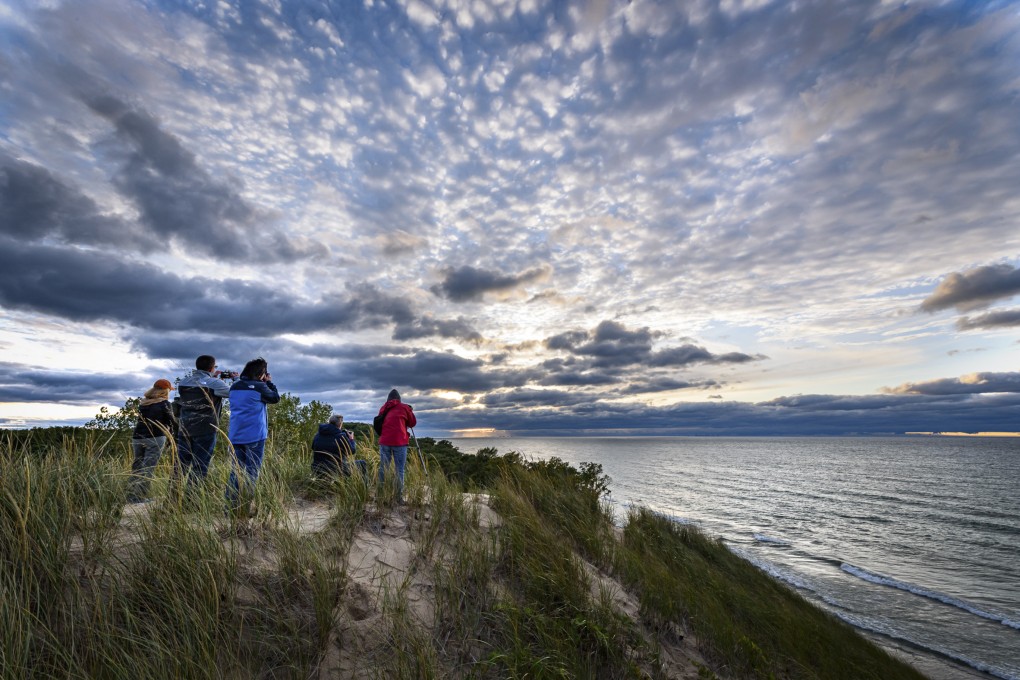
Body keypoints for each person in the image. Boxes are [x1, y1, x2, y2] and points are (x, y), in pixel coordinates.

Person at [226, 357, 280, 505]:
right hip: (255, 435)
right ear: (261, 373)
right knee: (252, 471)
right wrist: (269, 382)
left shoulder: (235, 387)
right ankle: (245, 504)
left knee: (235, 471)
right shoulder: (260, 387)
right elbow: (275, 398)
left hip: (236, 434)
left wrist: (236, 378)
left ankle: (230, 505)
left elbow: (241, 383)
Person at [174, 355, 233, 486]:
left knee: (180, 466)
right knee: (199, 466)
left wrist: (213, 378)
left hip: (185, 427)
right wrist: (232, 379)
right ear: (212, 367)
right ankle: (191, 502)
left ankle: (173, 498)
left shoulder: (183, 382)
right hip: (205, 428)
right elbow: (233, 393)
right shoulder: (215, 384)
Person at [128, 379, 177, 502]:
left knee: (137, 467)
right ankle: (139, 498)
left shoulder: (143, 403)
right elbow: (172, 422)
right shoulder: (164, 404)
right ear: (165, 390)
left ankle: (130, 496)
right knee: (148, 468)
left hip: (137, 437)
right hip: (155, 437)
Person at [376, 388, 416, 503]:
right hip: (399, 442)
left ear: (388, 399)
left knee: (383, 468)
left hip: (384, 441)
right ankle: (398, 498)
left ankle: (380, 495)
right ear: (399, 399)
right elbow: (412, 423)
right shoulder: (404, 407)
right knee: (400, 470)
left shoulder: (383, 408)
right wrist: (410, 411)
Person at [312, 414, 368, 480]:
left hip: (317, 469)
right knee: (362, 463)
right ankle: (364, 488)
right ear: (340, 424)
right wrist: (351, 439)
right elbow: (352, 451)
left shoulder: (318, 435)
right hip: (335, 470)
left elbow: (313, 447)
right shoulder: (341, 437)